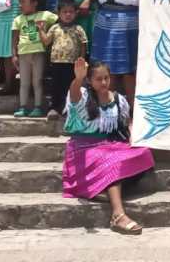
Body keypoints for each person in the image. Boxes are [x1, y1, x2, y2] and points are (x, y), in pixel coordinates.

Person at [62, 58, 155, 234]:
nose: (104, 82)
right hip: (83, 149)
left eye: (106, 78)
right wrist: (78, 78)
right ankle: (118, 215)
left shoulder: (118, 99)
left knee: (144, 153)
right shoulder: (83, 95)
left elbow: (127, 123)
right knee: (112, 161)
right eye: (98, 79)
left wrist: (133, 138)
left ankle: (102, 189)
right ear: (90, 80)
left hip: (109, 145)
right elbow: (74, 97)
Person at [10, 0, 57, 117]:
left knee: (38, 81)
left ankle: (38, 107)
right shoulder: (18, 19)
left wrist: (49, 35)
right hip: (23, 54)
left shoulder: (45, 15)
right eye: (19, 2)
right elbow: (14, 39)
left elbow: (60, 19)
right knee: (24, 82)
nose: (20, 5)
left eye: (23, 1)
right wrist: (14, 55)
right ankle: (23, 107)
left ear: (35, 3)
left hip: (39, 53)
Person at [40, 0, 87, 119]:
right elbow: (46, 41)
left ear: (76, 13)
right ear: (58, 13)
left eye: (71, 12)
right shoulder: (55, 28)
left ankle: (68, 109)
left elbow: (83, 44)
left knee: (69, 86)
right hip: (56, 63)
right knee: (55, 86)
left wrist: (82, 61)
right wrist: (40, 30)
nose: (68, 14)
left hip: (72, 64)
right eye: (64, 12)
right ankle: (54, 108)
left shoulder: (78, 29)